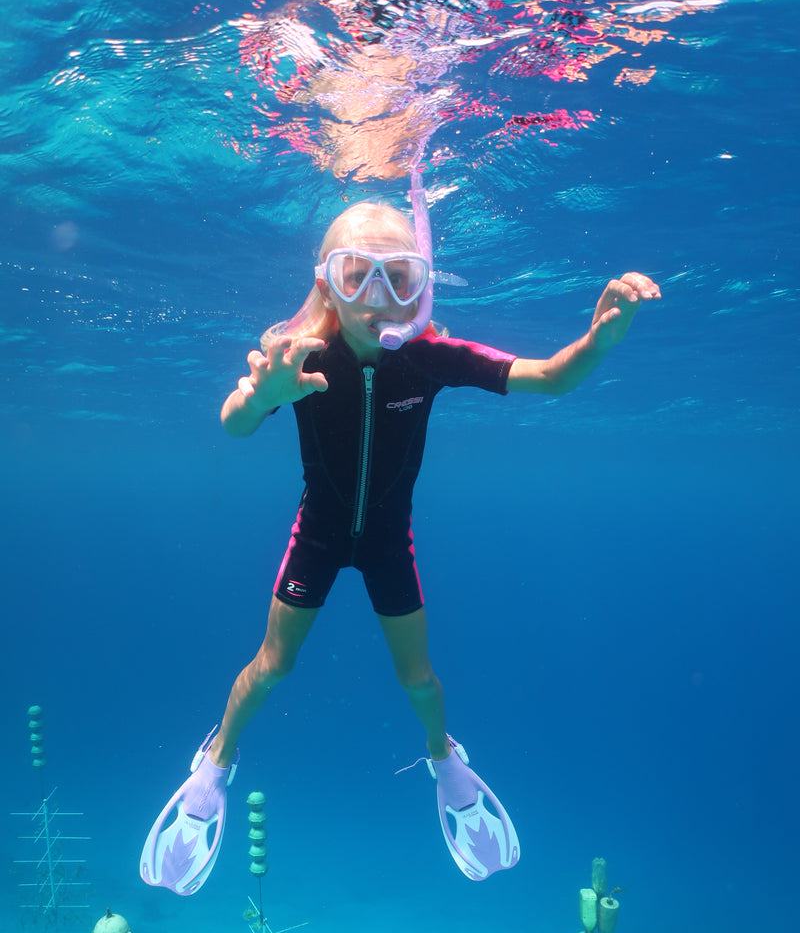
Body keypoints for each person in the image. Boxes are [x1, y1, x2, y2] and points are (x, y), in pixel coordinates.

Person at [139, 191, 660, 896]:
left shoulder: (429, 357)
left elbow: (549, 377)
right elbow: (233, 421)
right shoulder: (299, 356)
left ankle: (444, 759)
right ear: (327, 284)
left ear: (421, 286)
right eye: (357, 275)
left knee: (419, 679)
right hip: (318, 537)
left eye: (400, 277)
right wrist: (265, 397)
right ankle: (216, 762)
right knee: (272, 666)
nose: (378, 296)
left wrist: (599, 340)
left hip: (388, 544)